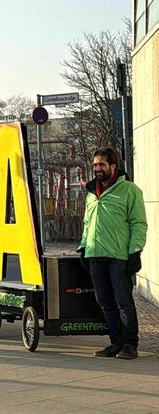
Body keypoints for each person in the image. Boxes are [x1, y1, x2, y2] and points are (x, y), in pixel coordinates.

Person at [78, 148, 147, 360]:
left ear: (113, 166)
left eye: (102, 165)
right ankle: (115, 343)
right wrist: (83, 247)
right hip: (95, 254)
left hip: (119, 256)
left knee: (123, 301)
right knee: (105, 301)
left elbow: (138, 223)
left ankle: (130, 345)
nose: (97, 169)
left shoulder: (129, 190)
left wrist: (135, 251)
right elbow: (88, 223)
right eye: (95, 165)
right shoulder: (91, 193)